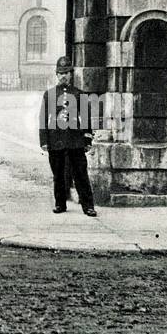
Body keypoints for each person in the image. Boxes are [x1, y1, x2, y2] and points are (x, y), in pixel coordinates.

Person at [38, 55, 98, 217]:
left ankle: (88, 206)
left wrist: (87, 139)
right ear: (56, 75)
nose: (63, 76)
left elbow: (85, 118)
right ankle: (60, 203)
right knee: (58, 175)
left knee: (81, 174)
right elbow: (43, 118)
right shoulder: (49, 94)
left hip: (75, 141)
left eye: (66, 72)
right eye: (60, 73)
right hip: (55, 139)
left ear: (71, 74)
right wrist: (43, 140)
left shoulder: (80, 94)